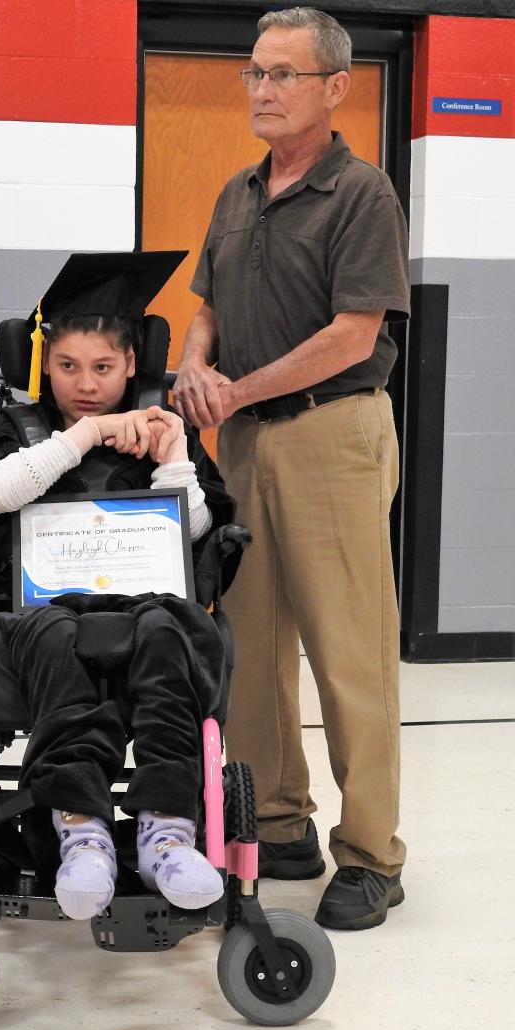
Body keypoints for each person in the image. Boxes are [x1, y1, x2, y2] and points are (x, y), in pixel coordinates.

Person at [174, 7, 409, 930]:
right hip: (243, 443)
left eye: (282, 75)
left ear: (334, 88)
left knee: (348, 650)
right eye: (254, 74)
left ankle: (372, 852)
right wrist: (197, 363)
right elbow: (205, 305)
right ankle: (279, 820)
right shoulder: (237, 192)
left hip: (331, 436)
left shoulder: (363, 195)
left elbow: (355, 333)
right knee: (252, 647)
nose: (262, 91)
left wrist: (234, 389)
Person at [0, 251, 237, 921]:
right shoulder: (25, 432)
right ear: (46, 364)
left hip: (144, 607)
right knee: (55, 635)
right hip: (44, 612)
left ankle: (166, 831)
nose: (85, 382)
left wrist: (174, 458)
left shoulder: (164, 427)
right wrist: (88, 435)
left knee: (173, 627)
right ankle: (83, 834)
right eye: (68, 366)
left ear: (133, 364)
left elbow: (194, 533)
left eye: (103, 368)